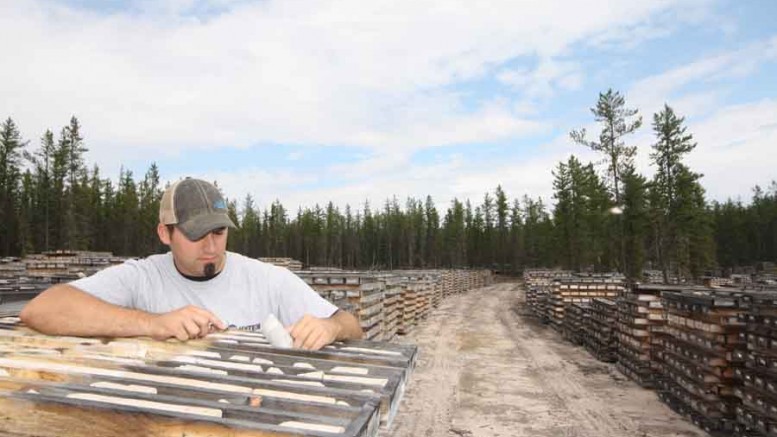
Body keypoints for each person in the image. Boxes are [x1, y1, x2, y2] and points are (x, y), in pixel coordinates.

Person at [20, 178, 363, 350]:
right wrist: (154, 323)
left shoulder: (269, 280)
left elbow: (352, 326)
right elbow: (42, 309)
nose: (211, 246)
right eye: (197, 234)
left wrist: (331, 328)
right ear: (164, 234)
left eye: (219, 232)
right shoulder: (142, 278)